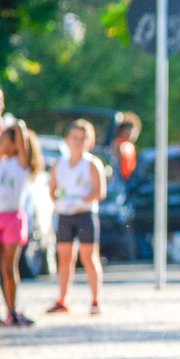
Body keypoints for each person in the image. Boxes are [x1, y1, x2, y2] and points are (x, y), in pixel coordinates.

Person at [0, 120, 43, 326]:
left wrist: (19, 129)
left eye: (3, 141)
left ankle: (12, 310)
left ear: (15, 144)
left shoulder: (20, 164)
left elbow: (23, 146)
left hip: (12, 219)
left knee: (8, 268)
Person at [46, 119, 107, 315]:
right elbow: (52, 189)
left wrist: (83, 199)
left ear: (89, 142)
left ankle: (96, 299)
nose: (78, 142)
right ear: (67, 139)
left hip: (84, 215)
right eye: (74, 138)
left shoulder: (91, 163)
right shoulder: (60, 164)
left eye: (82, 139)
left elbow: (100, 191)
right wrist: (59, 201)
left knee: (89, 257)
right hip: (65, 215)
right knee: (65, 258)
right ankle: (63, 298)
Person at [110, 114, 140, 180]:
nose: (129, 132)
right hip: (120, 179)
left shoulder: (130, 146)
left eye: (131, 130)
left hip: (130, 179)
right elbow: (115, 163)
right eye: (127, 129)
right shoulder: (117, 144)